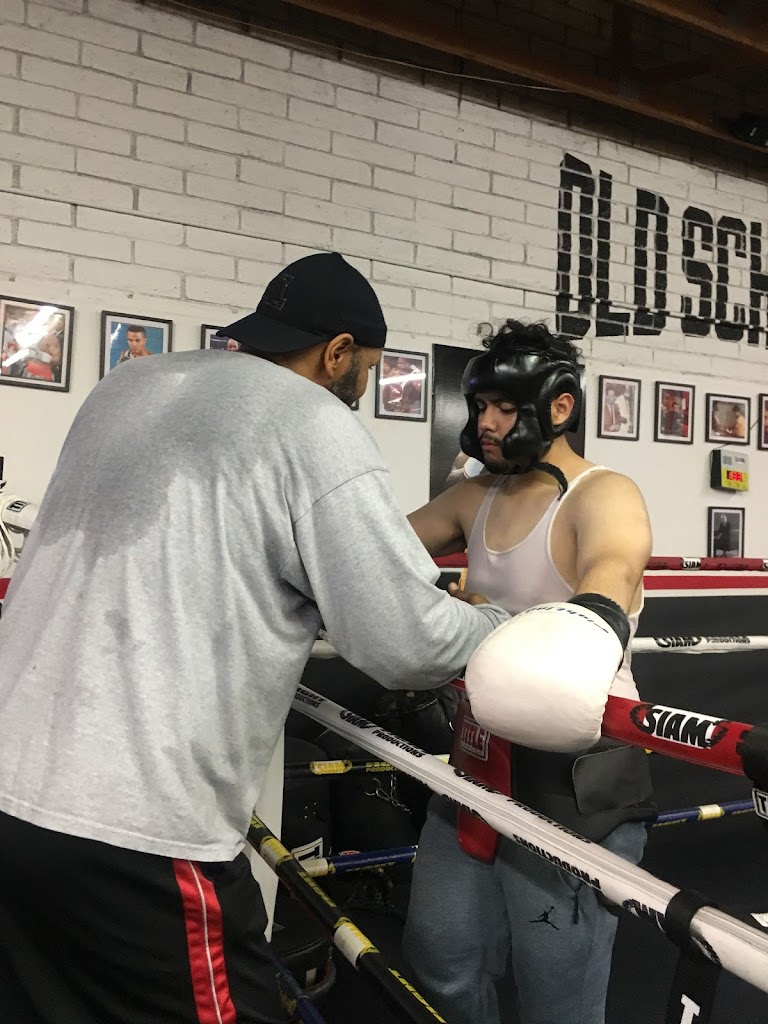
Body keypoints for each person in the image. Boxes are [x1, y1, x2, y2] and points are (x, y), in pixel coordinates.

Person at [0, 252, 510, 1024]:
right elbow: (403, 642)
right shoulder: (312, 420)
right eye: (366, 368)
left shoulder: (126, 387)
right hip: (132, 829)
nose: (363, 387)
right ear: (338, 353)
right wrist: (502, 627)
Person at [403, 319, 654, 1024]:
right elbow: (376, 554)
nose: (484, 422)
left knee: (556, 1001)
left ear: (560, 407)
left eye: (505, 408)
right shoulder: (472, 496)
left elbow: (609, 577)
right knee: (440, 958)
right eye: (480, 405)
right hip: (478, 762)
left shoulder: (604, 495)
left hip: (576, 773)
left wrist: (493, 624)